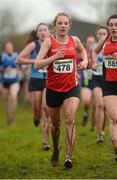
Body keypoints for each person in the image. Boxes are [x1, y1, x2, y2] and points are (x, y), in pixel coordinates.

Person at [34, 12, 88, 168]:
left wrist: (84, 61)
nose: (63, 25)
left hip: (72, 87)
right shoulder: (48, 42)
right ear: (55, 25)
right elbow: (37, 64)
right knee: (56, 125)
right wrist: (54, 57)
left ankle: (68, 156)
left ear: (69, 25)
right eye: (60, 23)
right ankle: (56, 149)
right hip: (52, 89)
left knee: (70, 119)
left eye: (66, 23)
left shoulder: (74, 40)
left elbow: (83, 52)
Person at [16, 23, 51, 150]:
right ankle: (36, 116)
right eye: (40, 30)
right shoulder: (33, 45)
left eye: (45, 30)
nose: (42, 32)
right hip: (35, 80)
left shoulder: (52, 43)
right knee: (37, 107)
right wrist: (35, 61)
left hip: (49, 80)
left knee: (46, 109)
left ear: (48, 32)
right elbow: (19, 59)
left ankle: (45, 142)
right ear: (37, 34)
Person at [92, 14, 117, 161]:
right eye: (111, 25)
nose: (114, 28)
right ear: (108, 27)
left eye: (116, 25)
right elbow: (95, 52)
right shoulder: (104, 40)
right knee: (114, 118)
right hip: (108, 84)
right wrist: (94, 62)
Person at [91, 26, 109, 143]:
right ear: (97, 35)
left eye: (104, 33)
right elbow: (93, 56)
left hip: (109, 79)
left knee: (107, 108)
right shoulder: (94, 47)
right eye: (100, 33)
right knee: (100, 105)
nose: (102, 35)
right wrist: (94, 62)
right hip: (97, 78)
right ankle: (100, 133)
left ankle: (103, 128)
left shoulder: (111, 46)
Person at [1, 40, 20, 125]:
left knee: (13, 97)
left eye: (10, 46)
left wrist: (19, 71)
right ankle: (9, 117)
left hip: (14, 81)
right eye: (7, 47)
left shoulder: (17, 56)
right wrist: (3, 69)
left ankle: (12, 117)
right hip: (4, 81)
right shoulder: (2, 57)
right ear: (5, 48)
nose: (9, 48)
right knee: (6, 100)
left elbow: (20, 66)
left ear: (12, 47)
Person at [80, 35, 96, 127]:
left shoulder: (99, 53)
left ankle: (93, 124)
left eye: (93, 42)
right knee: (86, 101)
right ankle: (85, 113)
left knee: (96, 105)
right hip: (86, 81)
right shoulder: (82, 53)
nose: (91, 44)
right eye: (89, 42)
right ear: (85, 44)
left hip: (97, 80)